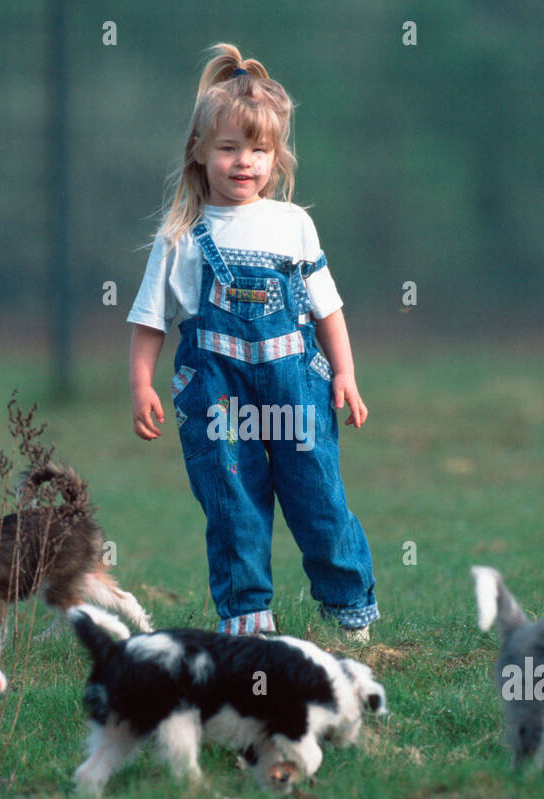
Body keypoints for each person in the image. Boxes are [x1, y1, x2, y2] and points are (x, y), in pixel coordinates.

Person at [126, 43, 378, 639]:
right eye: (230, 148)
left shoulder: (293, 224)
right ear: (199, 151)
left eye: (259, 150)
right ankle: (246, 618)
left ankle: (349, 610)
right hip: (217, 392)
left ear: (276, 155)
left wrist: (344, 373)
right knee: (233, 501)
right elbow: (149, 321)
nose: (245, 162)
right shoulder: (180, 236)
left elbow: (328, 309)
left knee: (318, 496)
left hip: (296, 386)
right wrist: (140, 384)